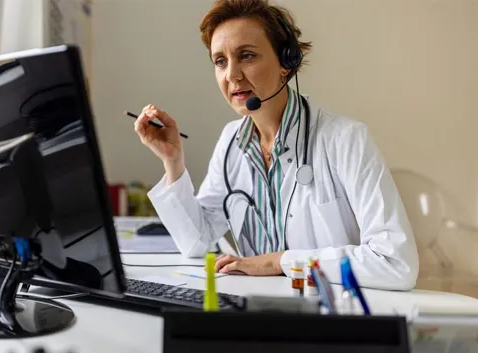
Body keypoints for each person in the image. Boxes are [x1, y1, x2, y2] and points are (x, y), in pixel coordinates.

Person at [133, 0, 419, 291]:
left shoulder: (345, 139)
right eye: (220, 61)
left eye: (246, 56)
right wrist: (173, 162)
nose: (231, 75)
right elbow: (198, 243)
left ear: (287, 63)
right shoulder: (232, 141)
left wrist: (279, 262)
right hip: (257, 311)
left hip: (329, 316)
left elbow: (395, 263)